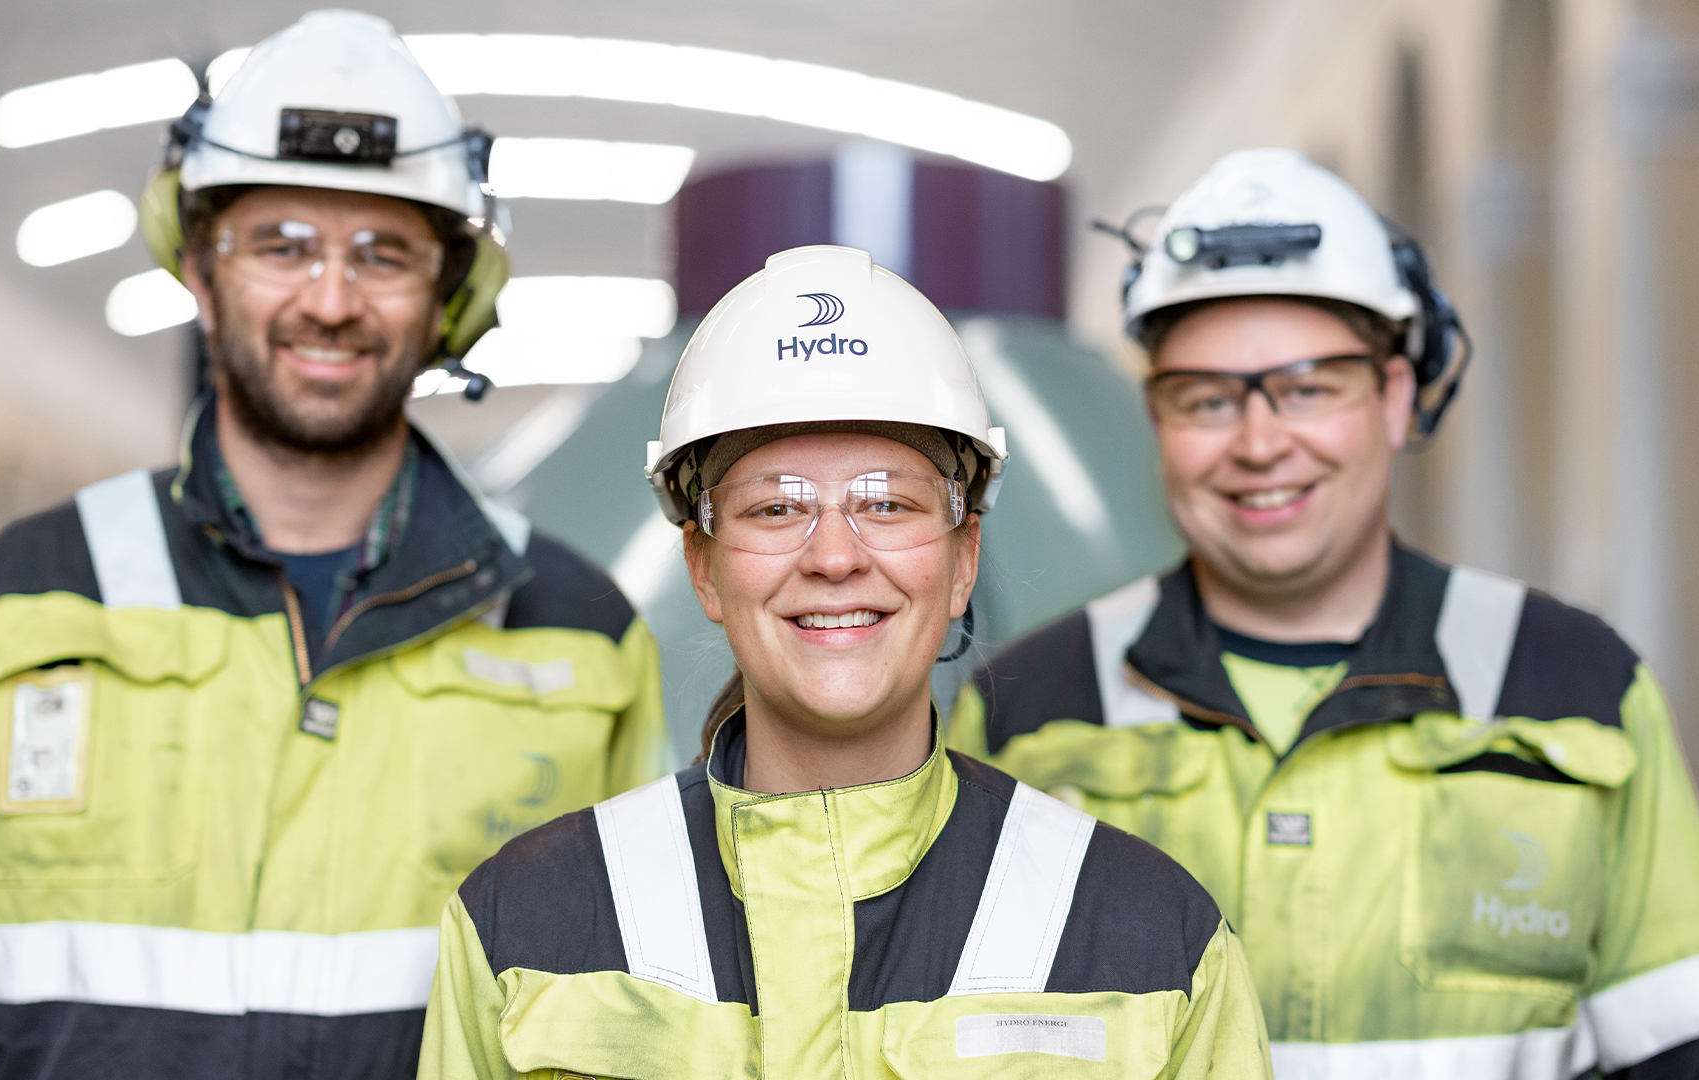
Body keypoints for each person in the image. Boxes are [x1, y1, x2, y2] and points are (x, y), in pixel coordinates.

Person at [0, 12, 668, 1078]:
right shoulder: (12, 606)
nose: (330, 298)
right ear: (201, 268)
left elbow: (640, 1023)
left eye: (383, 253)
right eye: (282, 245)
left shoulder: (579, 633)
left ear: (449, 295)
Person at [949, 147, 1699, 1077]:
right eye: (1206, 400)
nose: (1259, 443)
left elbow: (1690, 1054)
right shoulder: (1027, 707)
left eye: (1308, 388)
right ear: (1156, 421)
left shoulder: (1577, 685)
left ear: (1396, 398)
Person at [418, 244, 1273, 1080]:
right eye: (776, 506)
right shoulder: (520, 929)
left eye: (887, 502)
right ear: (703, 567)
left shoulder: (1154, 941)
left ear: (963, 558)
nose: (834, 555)